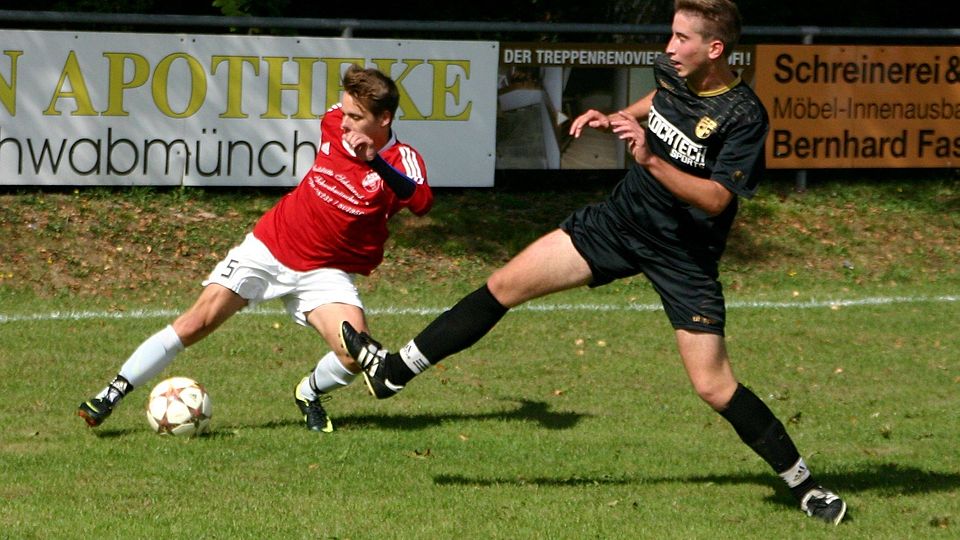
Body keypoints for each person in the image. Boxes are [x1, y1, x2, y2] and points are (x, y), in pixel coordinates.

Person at [340, 0, 847, 525]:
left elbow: (718, 199)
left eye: (682, 38)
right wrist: (619, 116)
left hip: (684, 257)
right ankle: (395, 371)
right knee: (503, 285)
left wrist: (648, 157)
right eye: (670, 35)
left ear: (714, 49)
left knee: (713, 385)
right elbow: (657, 102)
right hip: (617, 224)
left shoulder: (743, 115)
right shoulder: (672, 72)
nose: (669, 47)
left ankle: (805, 486)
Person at [77, 64, 433, 433]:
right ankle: (111, 393)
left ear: (385, 118)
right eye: (343, 112)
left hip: (325, 270)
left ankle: (308, 392)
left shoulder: (401, 160)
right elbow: (341, 116)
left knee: (354, 354)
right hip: (270, 246)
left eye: (356, 117)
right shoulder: (334, 123)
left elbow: (422, 202)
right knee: (195, 322)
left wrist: (375, 161)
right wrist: (350, 119)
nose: (344, 124)